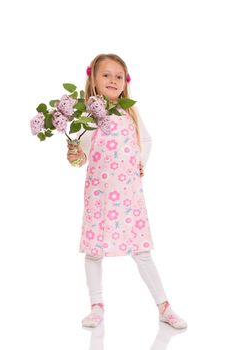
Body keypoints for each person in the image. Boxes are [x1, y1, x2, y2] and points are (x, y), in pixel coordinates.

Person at [67, 53, 187, 330]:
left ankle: (164, 306)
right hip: (98, 195)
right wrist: (73, 153)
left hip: (128, 195)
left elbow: (145, 140)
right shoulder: (85, 115)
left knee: (141, 250)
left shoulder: (128, 111)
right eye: (106, 75)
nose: (112, 80)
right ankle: (96, 306)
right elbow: (79, 159)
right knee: (94, 251)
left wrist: (140, 165)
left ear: (125, 83)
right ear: (94, 80)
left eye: (118, 76)